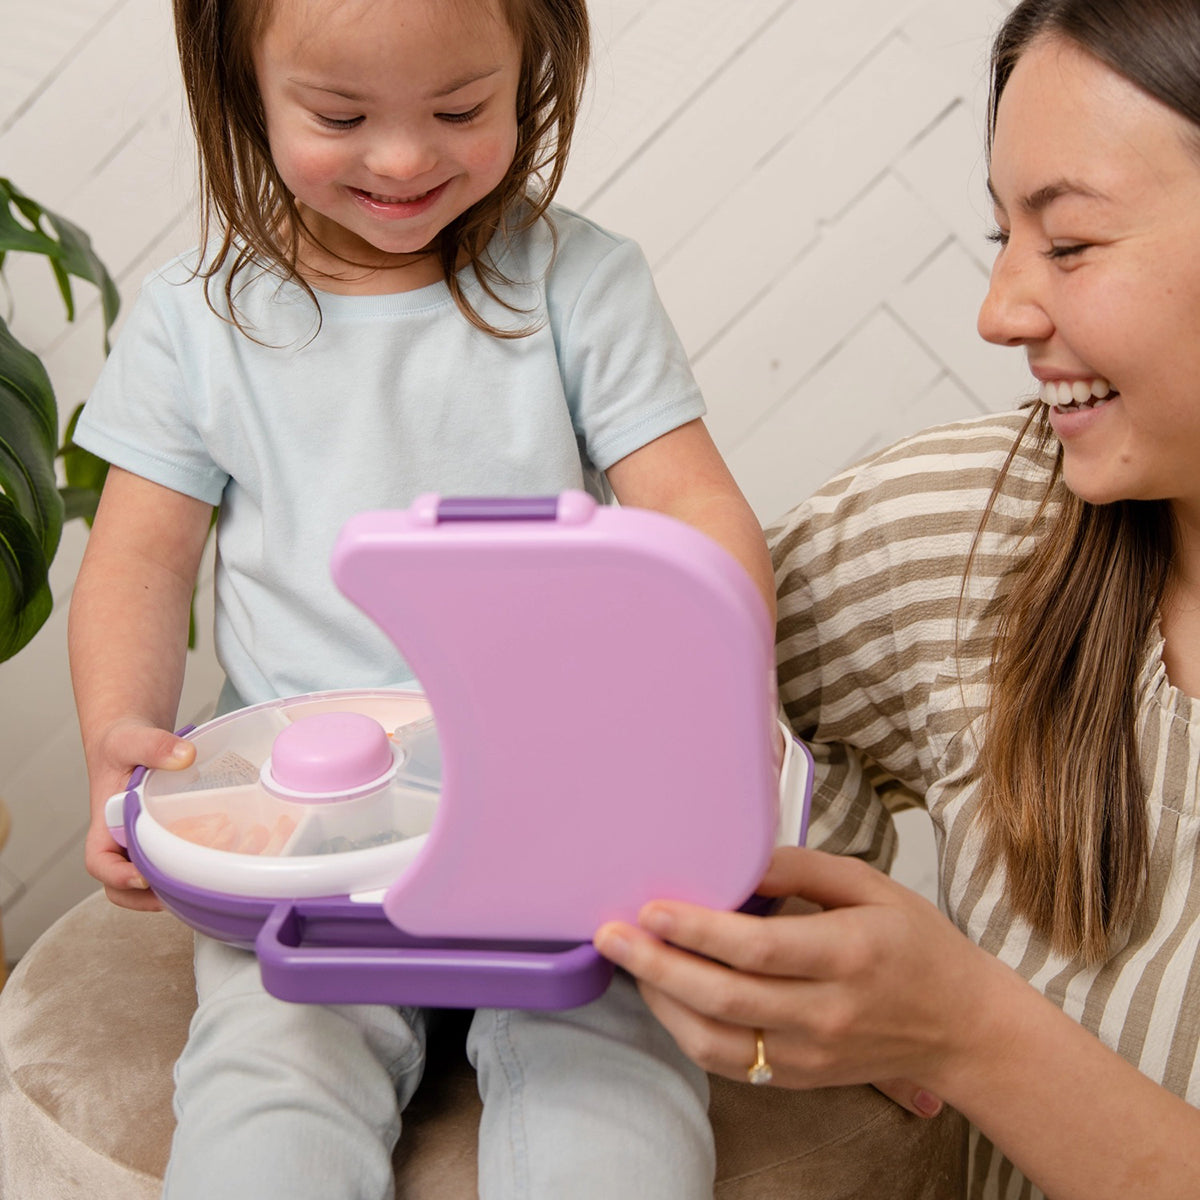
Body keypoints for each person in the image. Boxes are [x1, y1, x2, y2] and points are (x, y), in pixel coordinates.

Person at [66, 1, 776, 1197]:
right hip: (302, 830)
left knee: (613, 1063)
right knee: (270, 1068)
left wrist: (713, 718)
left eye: (461, 110)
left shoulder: (578, 282)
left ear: (532, 77)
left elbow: (697, 514)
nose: (404, 160)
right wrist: (113, 752)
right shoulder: (192, 322)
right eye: (340, 116)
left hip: (553, 802)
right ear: (242, 90)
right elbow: (139, 561)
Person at [593, 1, 1200, 1196]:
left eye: (1069, 244)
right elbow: (656, 690)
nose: (1001, 311)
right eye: (1002, 235)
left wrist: (964, 1028)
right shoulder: (975, 523)